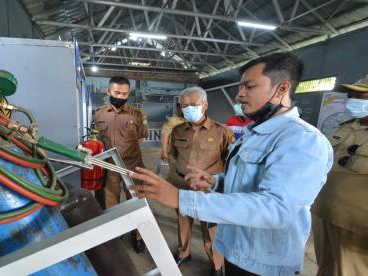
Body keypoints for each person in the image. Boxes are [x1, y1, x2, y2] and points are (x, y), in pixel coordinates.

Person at [129, 52, 333, 275]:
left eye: (249, 86)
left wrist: (180, 198)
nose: (239, 96)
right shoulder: (255, 132)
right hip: (237, 249)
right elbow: (248, 179)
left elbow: (276, 208)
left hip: (265, 263)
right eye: (240, 88)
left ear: (282, 89)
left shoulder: (302, 140)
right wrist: (215, 181)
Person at [168, 87, 233, 275]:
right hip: (182, 185)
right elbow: (173, 155)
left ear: (205, 105)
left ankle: (216, 264)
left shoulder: (222, 132)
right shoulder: (178, 130)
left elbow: (229, 162)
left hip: (208, 190)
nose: (189, 109)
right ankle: (184, 253)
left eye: (193, 105)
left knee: (210, 228)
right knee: (183, 222)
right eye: (185, 106)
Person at [311, 76, 368, 276]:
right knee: (326, 268)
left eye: (360, 96)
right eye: (350, 95)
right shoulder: (346, 127)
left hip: (356, 226)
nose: (352, 100)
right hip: (324, 213)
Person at [94, 76, 148, 253]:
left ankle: (138, 236)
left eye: (125, 94)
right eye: (117, 92)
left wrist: (127, 154)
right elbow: (99, 139)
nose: (121, 96)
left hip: (133, 167)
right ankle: (115, 233)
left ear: (129, 94)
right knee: (111, 204)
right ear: (108, 91)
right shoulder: (99, 114)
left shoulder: (138, 114)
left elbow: (140, 138)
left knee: (136, 202)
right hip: (110, 168)